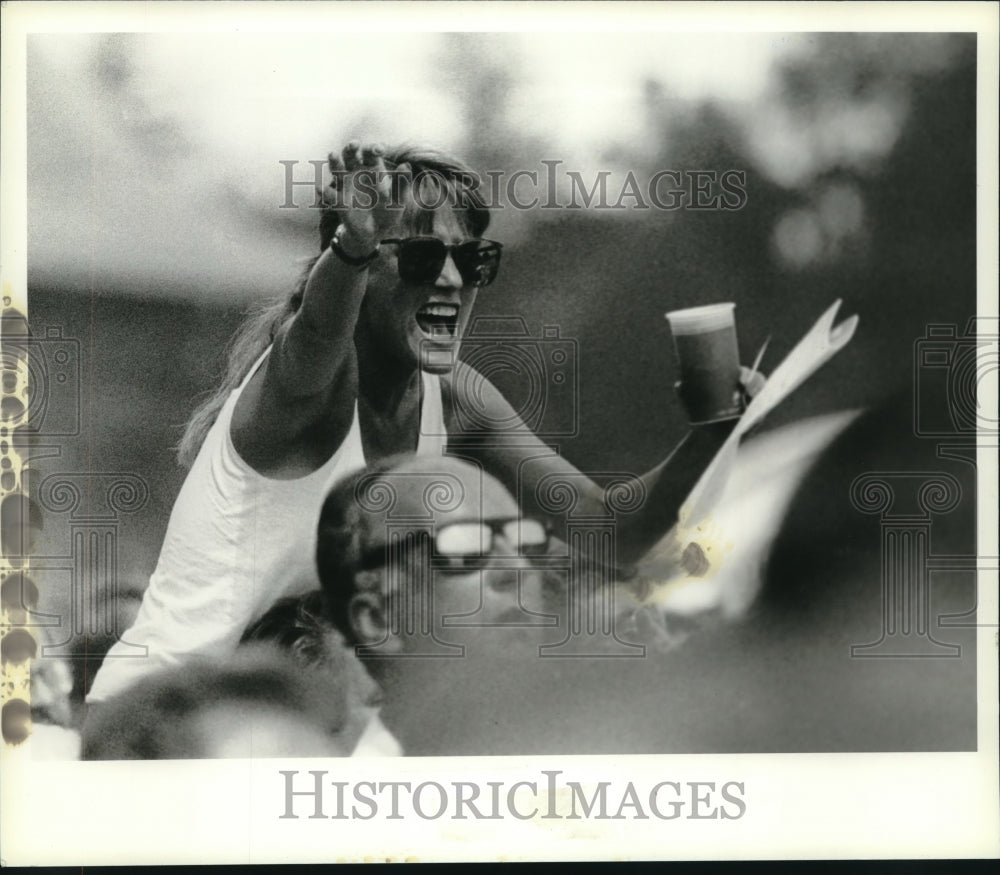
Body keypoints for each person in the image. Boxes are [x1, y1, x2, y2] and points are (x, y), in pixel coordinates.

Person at [89, 141, 759, 704]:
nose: (448, 280)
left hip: (277, 723)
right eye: (416, 257)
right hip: (159, 720)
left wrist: (712, 431)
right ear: (355, 269)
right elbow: (318, 331)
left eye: (470, 261)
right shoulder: (310, 382)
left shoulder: (459, 396)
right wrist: (351, 250)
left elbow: (611, 530)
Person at [313, 452, 554, 755]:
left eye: (525, 542)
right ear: (379, 620)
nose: (517, 569)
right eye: (466, 546)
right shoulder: (360, 799)